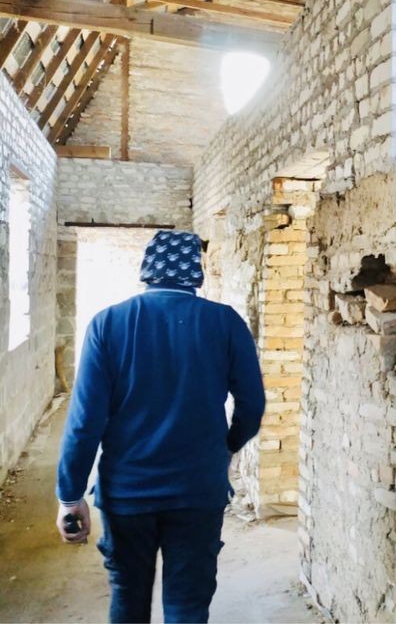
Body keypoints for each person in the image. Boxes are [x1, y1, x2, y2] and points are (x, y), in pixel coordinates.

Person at [55, 230, 265, 624]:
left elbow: (85, 422)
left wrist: (70, 496)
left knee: (128, 597)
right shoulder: (225, 322)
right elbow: (252, 407)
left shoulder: (108, 324)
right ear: (196, 270)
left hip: (127, 493)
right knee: (188, 603)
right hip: (198, 490)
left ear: (147, 267)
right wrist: (226, 447)